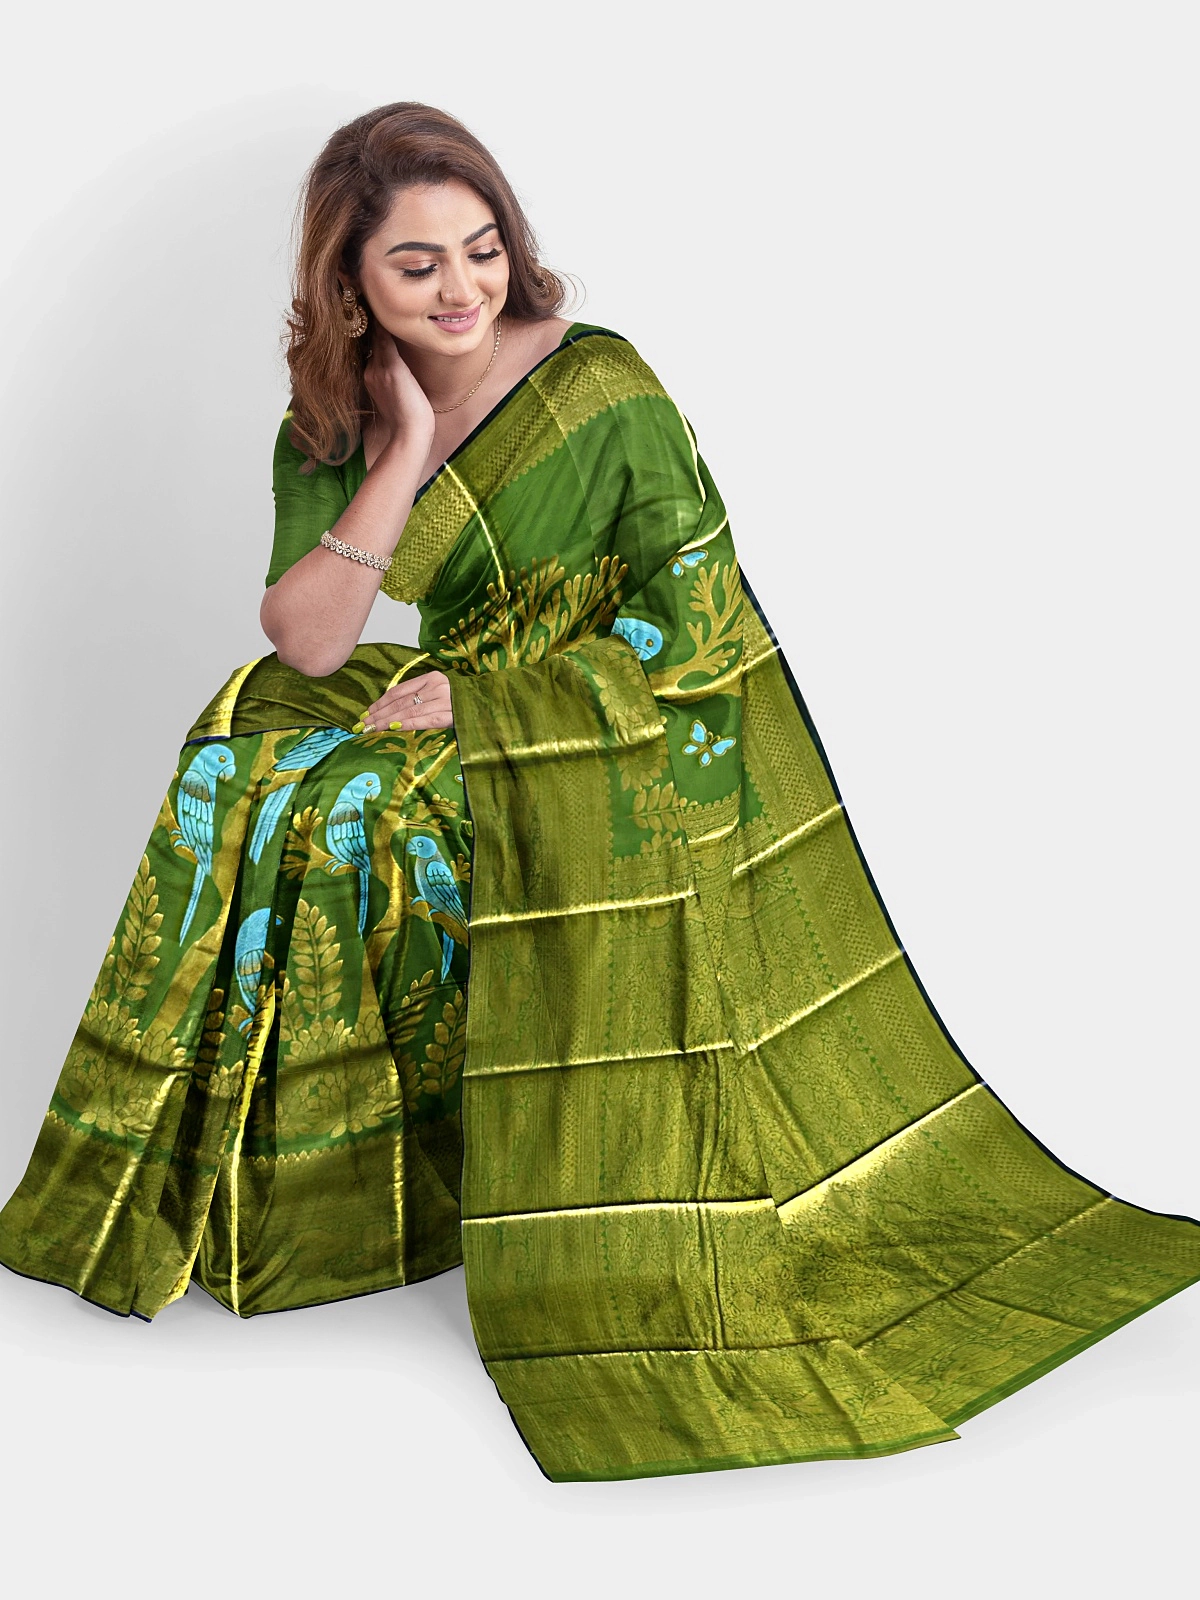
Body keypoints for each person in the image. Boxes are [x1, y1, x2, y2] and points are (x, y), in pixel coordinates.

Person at [1, 101, 1197, 1485]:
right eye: (417, 266)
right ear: (350, 284)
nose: (463, 290)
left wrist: (492, 705)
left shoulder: (600, 386)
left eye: (482, 249)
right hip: (455, 685)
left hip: (619, 722)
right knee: (241, 758)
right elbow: (310, 643)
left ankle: (439, 1164)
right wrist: (401, 450)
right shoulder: (336, 419)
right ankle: (307, 1186)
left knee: (352, 808)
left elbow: (695, 627)